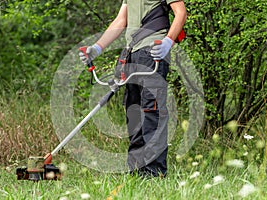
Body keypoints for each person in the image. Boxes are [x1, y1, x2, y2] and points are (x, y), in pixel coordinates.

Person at [79, 0, 187, 177]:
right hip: (132, 54)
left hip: (152, 52)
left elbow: (180, 13)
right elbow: (121, 20)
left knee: (152, 112)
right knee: (134, 112)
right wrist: (97, 48)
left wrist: (168, 41)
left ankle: (154, 173)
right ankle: (136, 170)